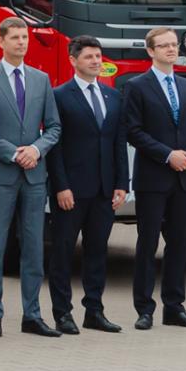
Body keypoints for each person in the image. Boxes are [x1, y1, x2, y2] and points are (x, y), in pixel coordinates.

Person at [0, 17, 63, 339]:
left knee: (34, 248)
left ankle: (32, 315)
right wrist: (13, 152)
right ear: (1, 41)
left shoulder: (40, 79)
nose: (22, 42)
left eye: (25, 37)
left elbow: (54, 127)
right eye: (16, 37)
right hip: (1, 174)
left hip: (35, 176)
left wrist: (36, 150)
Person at [122, 26, 186, 331]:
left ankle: (175, 306)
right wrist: (167, 154)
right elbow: (133, 131)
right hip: (153, 178)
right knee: (147, 244)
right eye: (164, 45)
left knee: (179, 244)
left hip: (183, 178)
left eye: (174, 45)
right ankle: (144, 308)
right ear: (151, 51)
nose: (172, 50)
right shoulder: (137, 86)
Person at [44, 36, 127, 335]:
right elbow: (55, 146)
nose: (96, 61)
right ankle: (62, 313)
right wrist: (60, 186)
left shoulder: (113, 97)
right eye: (89, 56)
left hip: (104, 190)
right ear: (73, 60)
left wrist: (121, 182)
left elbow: (117, 141)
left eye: (98, 56)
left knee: (96, 252)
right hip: (71, 191)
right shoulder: (59, 96)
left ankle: (94, 310)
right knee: (63, 252)